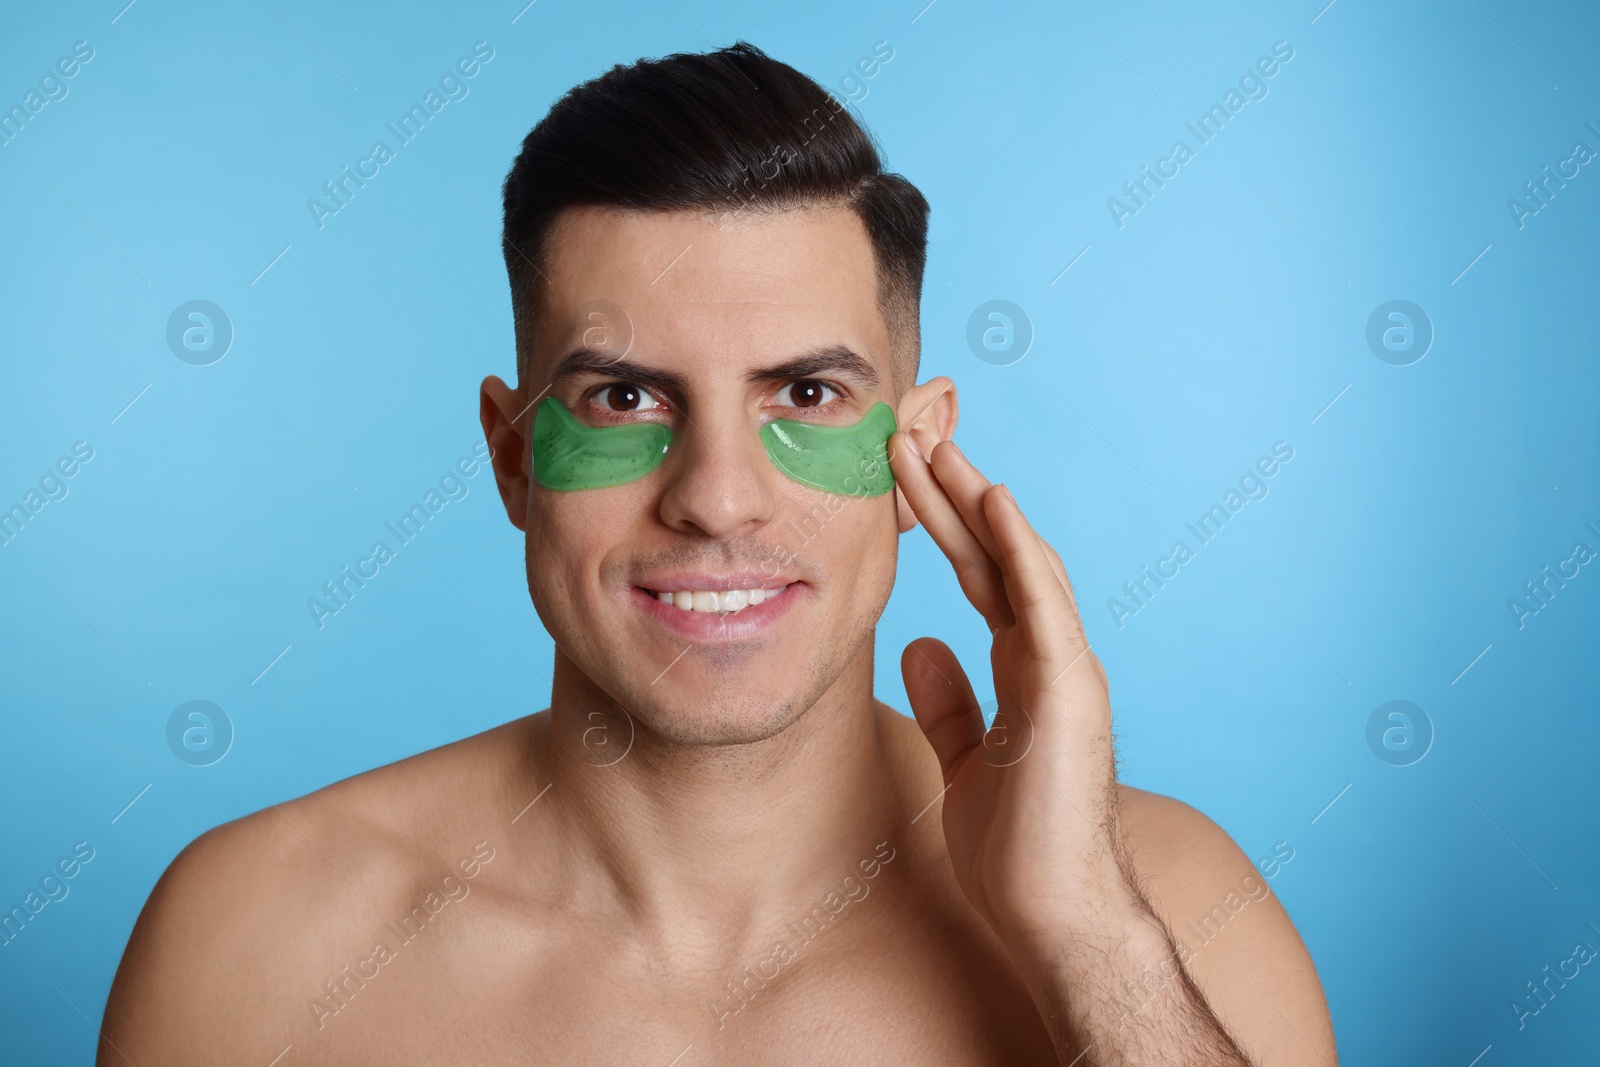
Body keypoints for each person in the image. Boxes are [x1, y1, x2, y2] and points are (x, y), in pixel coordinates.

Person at [100, 42, 1335, 1065]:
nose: (717, 498)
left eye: (803, 390)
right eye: (625, 401)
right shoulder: (258, 943)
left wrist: (1087, 944)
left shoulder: (1172, 915)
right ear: (513, 457)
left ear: (918, 450)